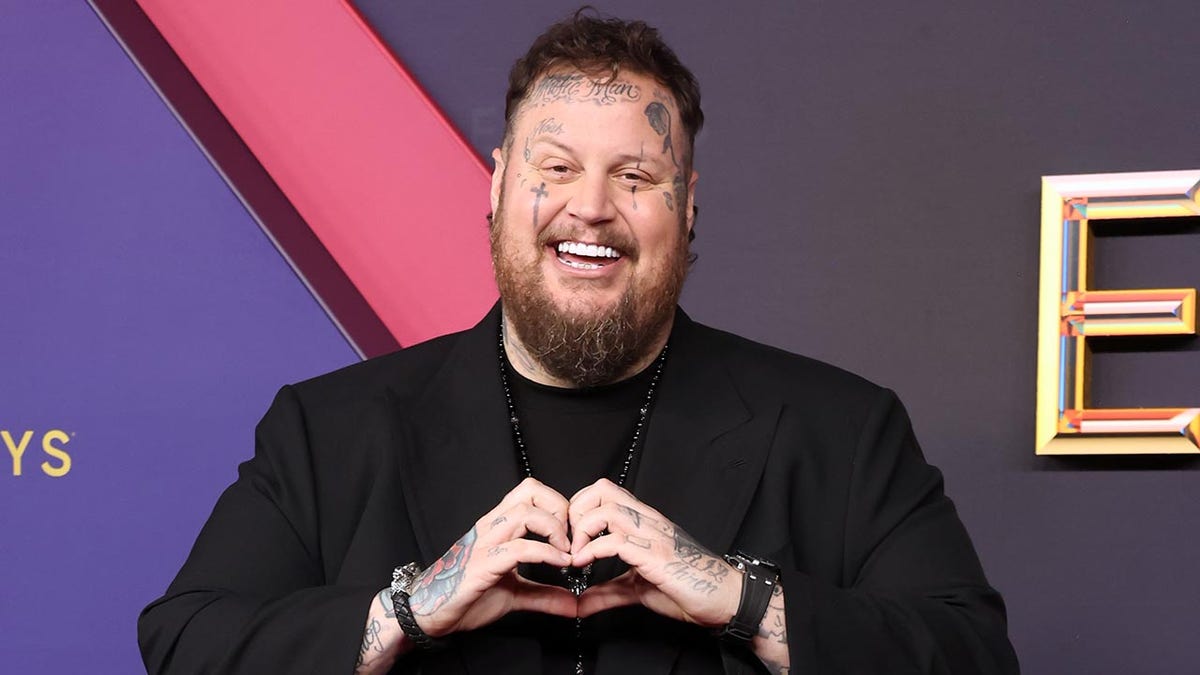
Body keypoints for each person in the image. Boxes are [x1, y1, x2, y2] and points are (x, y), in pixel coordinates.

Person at [138, 11, 1019, 675]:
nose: (590, 206)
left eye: (635, 176)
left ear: (688, 205)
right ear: (497, 187)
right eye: (555, 167)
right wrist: (412, 605)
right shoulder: (325, 428)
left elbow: (972, 653)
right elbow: (184, 641)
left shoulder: (842, 428)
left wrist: (740, 595)